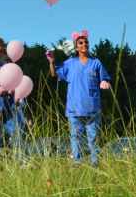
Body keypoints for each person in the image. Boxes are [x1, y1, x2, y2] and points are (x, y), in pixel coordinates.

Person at [47, 31, 111, 165]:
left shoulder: (96, 62)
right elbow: (54, 74)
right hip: (74, 107)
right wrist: (52, 61)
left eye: (86, 42)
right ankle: (78, 163)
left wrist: (103, 81)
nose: (84, 44)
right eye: (80, 43)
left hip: (93, 106)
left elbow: (103, 76)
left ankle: (95, 162)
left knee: (93, 138)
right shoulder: (70, 63)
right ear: (76, 47)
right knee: (76, 137)